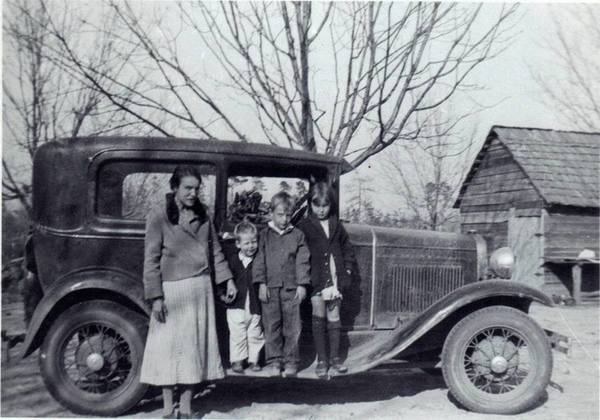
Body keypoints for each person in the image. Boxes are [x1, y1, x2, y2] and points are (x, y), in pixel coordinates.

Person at [140, 165, 237, 419]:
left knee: (193, 350)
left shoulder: (203, 215)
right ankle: (167, 409)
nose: (193, 193)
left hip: (199, 290)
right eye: (187, 188)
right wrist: (156, 297)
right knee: (168, 350)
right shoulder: (159, 216)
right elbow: (151, 260)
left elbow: (215, 250)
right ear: (174, 187)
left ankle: (185, 408)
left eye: (196, 189)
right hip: (172, 292)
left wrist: (227, 279)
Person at [298, 182, 355, 378]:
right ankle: (321, 360)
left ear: (331, 205)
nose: (321, 210)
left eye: (325, 205)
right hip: (316, 278)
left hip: (334, 277)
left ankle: (335, 359)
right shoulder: (304, 226)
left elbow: (347, 248)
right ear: (311, 205)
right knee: (318, 316)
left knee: (334, 316)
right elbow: (300, 252)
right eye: (317, 205)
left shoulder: (336, 224)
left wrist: (347, 269)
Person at [253, 191, 310, 377]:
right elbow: (259, 260)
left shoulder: (298, 235)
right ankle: (274, 361)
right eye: (280, 215)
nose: (284, 219)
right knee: (271, 325)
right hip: (270, 288)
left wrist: (302, 284)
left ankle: (291, 361)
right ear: (271, 213)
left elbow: (302, 261)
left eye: (288, 215)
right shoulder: (264, 235)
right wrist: (261, 283)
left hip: (291, 289)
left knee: (292, 326)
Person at [223, 220, 264, 373]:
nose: (251, 246)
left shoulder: (259, 260)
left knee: (255, 333)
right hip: (236, 305)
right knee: (237, 334)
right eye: (246, 243)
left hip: (254, 304)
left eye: (254, 242)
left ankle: (254, 360)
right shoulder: (233, 261)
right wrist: (223, 295)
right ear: (238, 244)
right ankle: (237, 360)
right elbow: (225, 280)